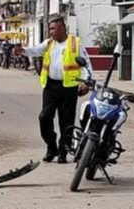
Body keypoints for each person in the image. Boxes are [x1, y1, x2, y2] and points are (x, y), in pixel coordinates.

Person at [26, 19, 92, 164]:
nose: (50, 32)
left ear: (62, 28)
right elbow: (35, 50)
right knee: (44, 117)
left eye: (53, 28)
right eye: (50, 29)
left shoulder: (75, 43)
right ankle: (51, 146)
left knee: (66, 122)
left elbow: (86, 64)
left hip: (69, 87)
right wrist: (22, 51)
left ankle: (63, 151)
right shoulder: (49, 43)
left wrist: (86, 82)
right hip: (51, 87)